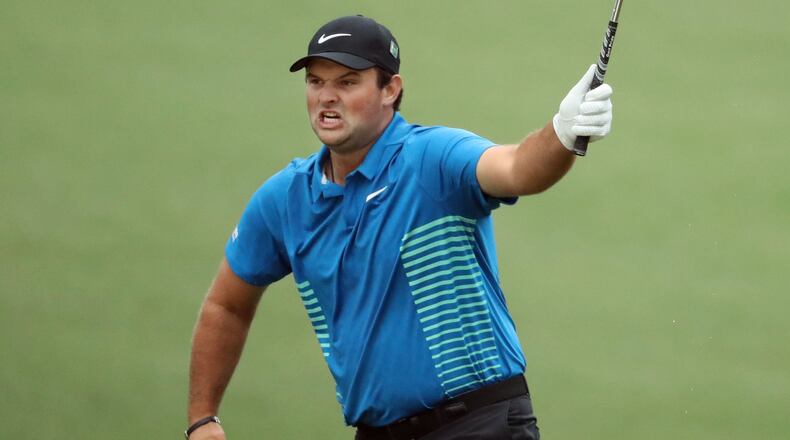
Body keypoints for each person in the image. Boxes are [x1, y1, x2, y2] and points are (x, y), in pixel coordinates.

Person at [186, 14, 613, 440]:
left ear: (391, 89)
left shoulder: (432, 158)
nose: (326, 98)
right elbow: (227, 304)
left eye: (348, 82)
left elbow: (519, 168)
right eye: (316, 82)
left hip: (477, 425)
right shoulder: (284, 200)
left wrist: (561, 133)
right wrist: (203, 418)